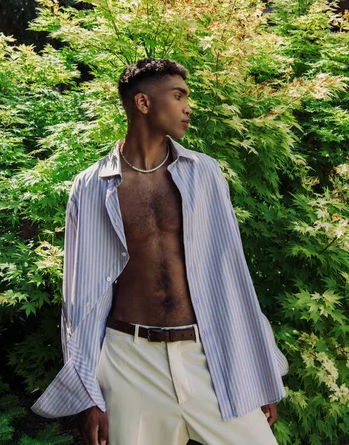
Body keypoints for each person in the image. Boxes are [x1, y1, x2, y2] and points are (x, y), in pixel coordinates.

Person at [31, 58, 289, 445]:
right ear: (144, 103)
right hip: (129, 361)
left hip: (206, 355)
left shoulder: (205, 174)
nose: (188, 107)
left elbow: (232, 276)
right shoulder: (92, 187)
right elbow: (79, 298)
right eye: (178, 95)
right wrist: (89, 396)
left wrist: (258, 372)